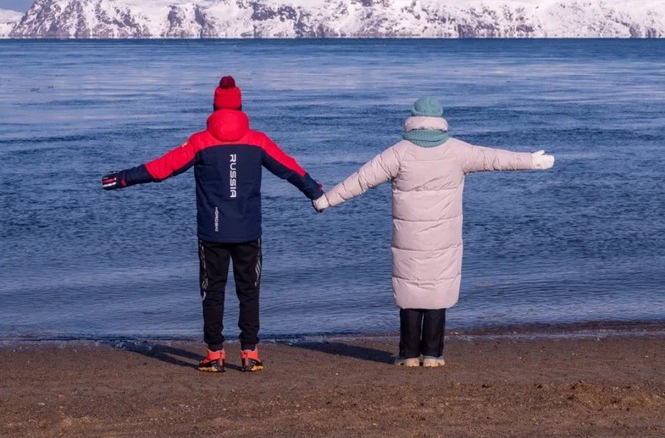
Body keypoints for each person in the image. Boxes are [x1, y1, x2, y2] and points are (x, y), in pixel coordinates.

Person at [312, 96, 554, 367]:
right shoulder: (458, 151)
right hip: (444, 238)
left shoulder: (398, 153)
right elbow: (496, 158)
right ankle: (433, 355)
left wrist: (326, 200)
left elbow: (360, 180)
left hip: (408, 238)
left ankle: (408, 355)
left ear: (413, 120)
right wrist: (531, 161)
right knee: (437, 292)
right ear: (439, 121)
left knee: (410, 293)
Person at [102, 75, 323, 373]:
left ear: (214, 107)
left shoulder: (199, 142)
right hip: (248, 231)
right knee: (249, 292)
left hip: (213, 232)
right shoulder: (258, 141)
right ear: (241, 107)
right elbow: (290, 169)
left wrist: (122, 178)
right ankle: (250, 353)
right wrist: (316, 192)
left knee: (213, 291)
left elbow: (161, 168)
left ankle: (215, 354)